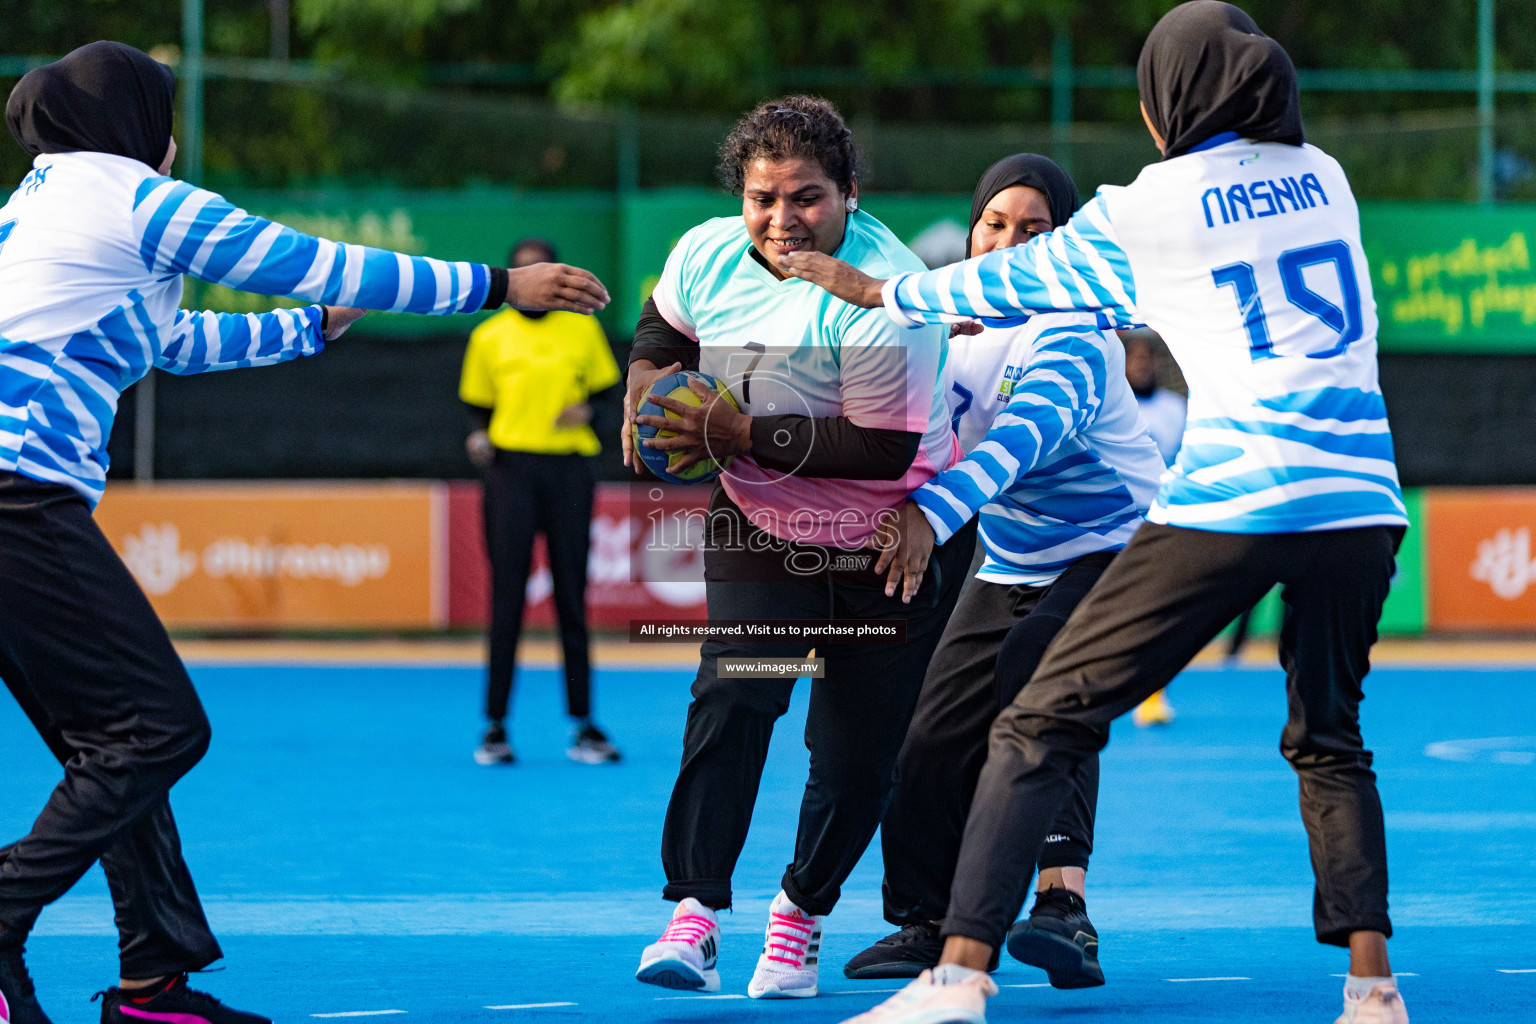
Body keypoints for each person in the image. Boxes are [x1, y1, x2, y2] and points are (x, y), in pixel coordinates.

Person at [780, 5, 1411, 1023]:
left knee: (1040, 717)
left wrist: (870, 287)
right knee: (1329, 739)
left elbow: (1011, 281)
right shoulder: (1327, 176)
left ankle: (960, 974)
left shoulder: (1148, 205)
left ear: (1170, 102)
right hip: (1363, 494)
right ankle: (1374, 990)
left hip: (1238, 489)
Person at [0, 42, 607, 1024]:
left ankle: (153, 986)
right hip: (18, 500)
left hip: (17, 502)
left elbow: (169, 344)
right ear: (135, 123)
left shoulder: (37, 205)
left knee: (109, 747)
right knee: (157, 732)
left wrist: (307, 330)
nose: (174, 141)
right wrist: (500, 285)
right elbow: (309, 260)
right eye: (167, 120)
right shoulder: (131, 196)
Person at [621, 95, 970, 1001]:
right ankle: (693, 916)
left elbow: (880, 449)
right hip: (760, 523)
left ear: (851, 193)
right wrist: (646, 392)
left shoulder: (886, 293)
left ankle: (801, 915)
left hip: (885, 535)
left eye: (807, 197)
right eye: (762, 197)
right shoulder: (704, 251)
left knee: (856, 756)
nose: (782, 220)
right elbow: (662, 329)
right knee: (733, 697)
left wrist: (735, 432)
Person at [838, 154, 1165, 988]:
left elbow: (1019, 448)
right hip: (1014, 557)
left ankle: (1063, 908)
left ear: (1061, 247)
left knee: (1040, 680)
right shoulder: (942, 325)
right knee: (929, 733)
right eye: (995, 223)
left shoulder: (1078, 329)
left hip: (1120, 548)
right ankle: (926, 921)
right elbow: (890, 437)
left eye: (1034, 230)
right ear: (973, 226)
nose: (1009, 243)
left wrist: (930, 517)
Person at [462, 236, 623, 767]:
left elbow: (605, 396)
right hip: (510, 472)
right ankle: (495, 727)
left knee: (571, 598)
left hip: (569, 471)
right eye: (523, 272)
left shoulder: (582, 328)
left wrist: (590, 415)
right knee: (507, 598)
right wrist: (480, 436)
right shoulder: (489, 335)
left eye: (543, 271)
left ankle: (584, 726)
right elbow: (477, 409)